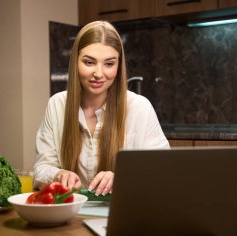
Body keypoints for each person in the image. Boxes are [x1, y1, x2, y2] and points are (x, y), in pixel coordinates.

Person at [33, 20, 170, 196]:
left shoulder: (140, 108)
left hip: (124, 215)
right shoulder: (57, 104)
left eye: (109, 63)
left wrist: (122, 177)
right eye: (89, 62)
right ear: (76, 62)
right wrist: (58, 174)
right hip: (70, 215)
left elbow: (162, 172)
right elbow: (40, 169)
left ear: (119, 65)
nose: (99, 73)